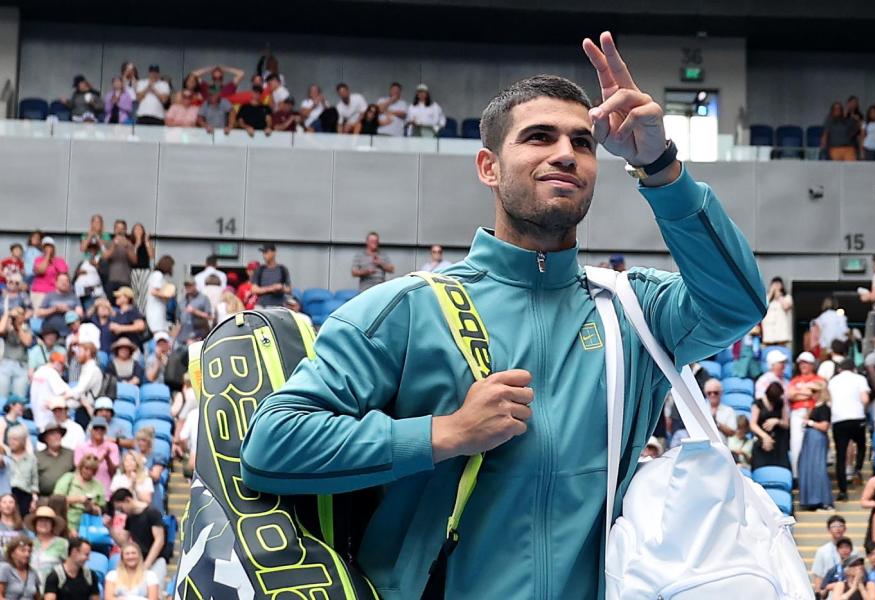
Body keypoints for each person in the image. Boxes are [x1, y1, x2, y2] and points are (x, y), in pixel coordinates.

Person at [239, 40, 765, 597]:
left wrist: (660, 168)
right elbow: (272, 446)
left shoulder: (633, 311)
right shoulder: (406, 308)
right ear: (489, 167)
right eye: (539, 137)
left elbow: (735, 304)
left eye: (582, 143)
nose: (566, 153)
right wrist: (446, 433)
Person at [829, 360, 869, 501]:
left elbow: (829, 400)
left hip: (839, 419)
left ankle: (842, 491)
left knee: (840, 455)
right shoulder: (860, 379)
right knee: (862, 445)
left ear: (840, 369)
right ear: (853, 369)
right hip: (856, 417)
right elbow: (865, 398)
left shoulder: (833, 381)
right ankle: (857, 468)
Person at [110, 488, 168, 584]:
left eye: (121, 508)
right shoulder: (130, 517)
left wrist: (146, 565)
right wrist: (110, 528)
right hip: (139, 560)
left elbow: (159, 541)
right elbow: (124, 543)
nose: (121, 512)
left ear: (128, 500)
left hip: (156, 560)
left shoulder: (151, 512)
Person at [750, 381, 790, 472]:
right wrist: (765, 437)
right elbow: (753, 424)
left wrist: (777, 421)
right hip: (762, 440)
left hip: (779, 442)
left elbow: (786, 424)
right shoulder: (758, 404)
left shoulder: (781, 403)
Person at [26, 506, 66, 584]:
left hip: (54, 587)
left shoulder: (63, 543)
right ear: (35, 524)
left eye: (47, 521)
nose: (43, 523)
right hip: (31, 587)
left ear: (53, 524)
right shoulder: (29, 543)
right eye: (40, 521)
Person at [812, 515, 850, 589]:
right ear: (828, 529)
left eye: (840, 526)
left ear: (845, 529)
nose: (838, 529)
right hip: (829, 592)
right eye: (834, 526)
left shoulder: (853, 550)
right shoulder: (822, 551)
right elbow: (818, 576)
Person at [250, 243, 290, 308]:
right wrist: (271, 288)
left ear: (274, 252)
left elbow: (289, 289)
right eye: (263, 253)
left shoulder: (282, 269)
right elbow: (254, 289)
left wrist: (281, 288)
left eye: (266, 252)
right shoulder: (259, 269)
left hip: (278, 306)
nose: (264, 255)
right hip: (261, 306)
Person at [143, 257, 174, 335]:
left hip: (158, 309)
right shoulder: (158, 275)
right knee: (158, 332)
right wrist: (167, 295)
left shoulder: (158, 275)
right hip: (155, 311)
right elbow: (153, 291)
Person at [762, 277, 792, 348]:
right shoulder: (767, 298)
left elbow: (786, 306)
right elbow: (763, 305)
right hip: (768, 333)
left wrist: (779, 296)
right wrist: (771, 293)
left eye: (778, 284)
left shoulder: (787, 297)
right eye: (774, 284)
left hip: (781, 333)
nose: (776, 286)